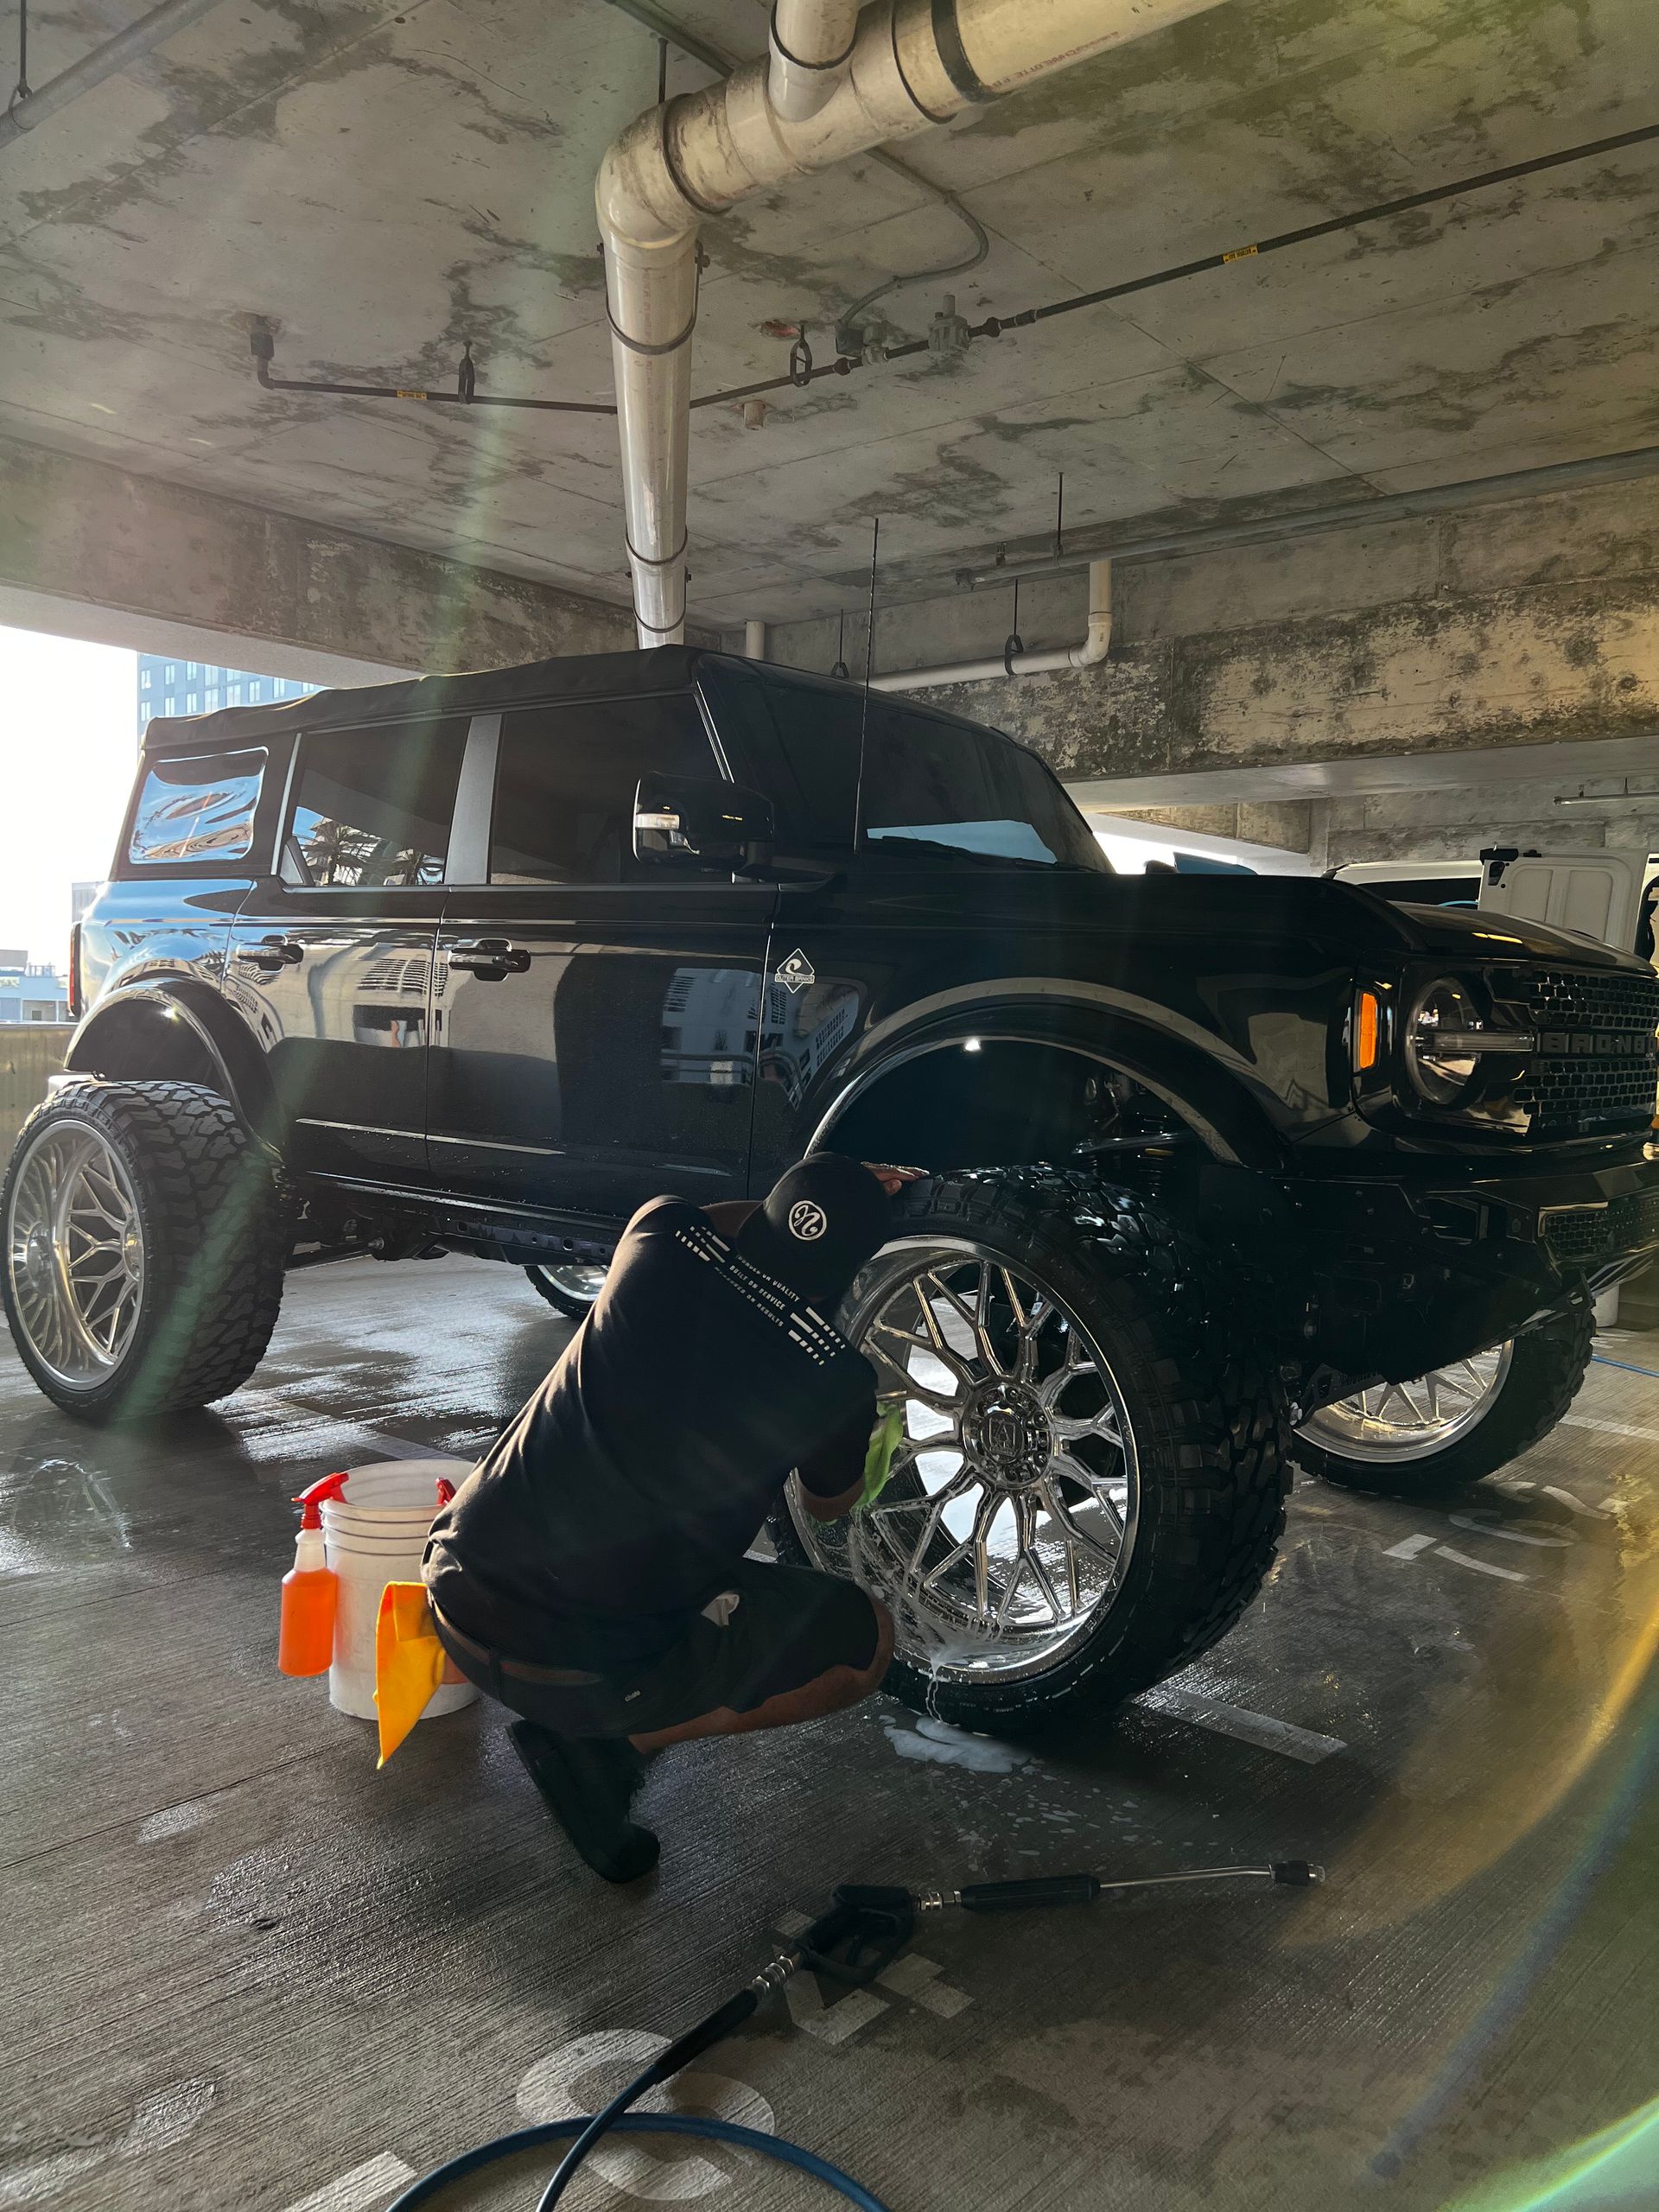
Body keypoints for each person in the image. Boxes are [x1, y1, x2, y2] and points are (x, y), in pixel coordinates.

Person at [422, 1153, 916, 1883]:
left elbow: (713, 1220)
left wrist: (813, 1186)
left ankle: (594, 1710)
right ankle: (608, 1750)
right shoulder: (835, 1378)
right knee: (862, 1640)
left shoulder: (657, 1240)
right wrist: (854, 1434)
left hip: (453, 1587)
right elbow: (826, 1503)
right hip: (571, 1671)